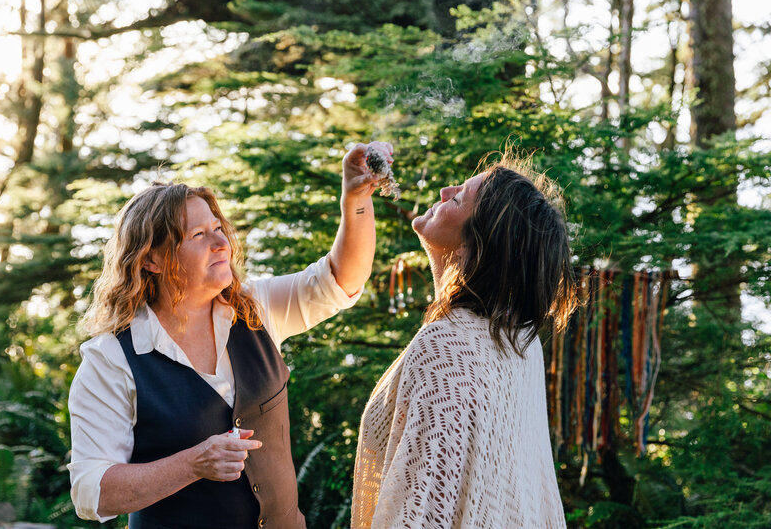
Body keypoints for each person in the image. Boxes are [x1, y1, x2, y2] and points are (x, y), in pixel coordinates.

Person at [68, 141, 394, 529]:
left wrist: (355, 198)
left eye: (218, 228)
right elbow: (91, 491)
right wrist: (192, 464)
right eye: (198, 235)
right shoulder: (111, 359)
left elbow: (340, 280)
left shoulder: (254, 308)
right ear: (151, 260)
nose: (222, 243)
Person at [351, 151, 577, 528]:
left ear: (475, 246)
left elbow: (419, 510)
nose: (444, 191)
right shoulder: (519, 343)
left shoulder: (446, 346)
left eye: (458, 199)